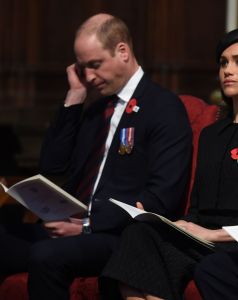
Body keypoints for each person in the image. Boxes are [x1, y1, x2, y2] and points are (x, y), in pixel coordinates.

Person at [100, 28, 238, 300]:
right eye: (223, 62)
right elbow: (197, 210)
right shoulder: (210, 135)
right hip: (203, 239)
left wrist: (214, 235)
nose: (227, 70)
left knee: (214, 268)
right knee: (139, 234)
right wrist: (168, 223)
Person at [27, 13, 192, 300]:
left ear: (122, 51)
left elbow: (162, 196)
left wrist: (87, 225)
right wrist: (75, 95)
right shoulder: (96, 109)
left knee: (46, 256)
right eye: (83, 68)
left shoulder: (163, 106)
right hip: (69, 226)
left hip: (119, 235)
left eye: (95, 65)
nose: (89, 76)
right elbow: (52, 164)